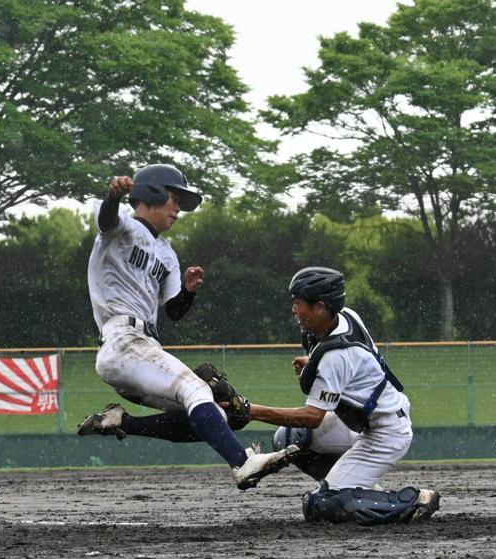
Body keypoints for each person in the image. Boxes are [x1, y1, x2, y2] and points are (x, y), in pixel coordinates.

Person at [77, 164, 299, 490]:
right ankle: (242, 463)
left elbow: (174, 312)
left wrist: (189, 292)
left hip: (142, 346)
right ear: (151, 193)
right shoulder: (121, 225)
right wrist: (114, 195)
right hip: (122, 339)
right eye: (173, 197)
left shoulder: (167, 254)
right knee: (195, 390)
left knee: (223, 413)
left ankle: (122, 422)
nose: (178, 208)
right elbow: (105, 219)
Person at [222, 266, 441, 525]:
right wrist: (313, 362)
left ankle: (414, 500)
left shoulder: (335, 356)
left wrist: (250, 410)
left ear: (321, 307)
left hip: (385, 434)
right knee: (289, 438)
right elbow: (357, 365)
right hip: (362, 423)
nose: (294, 309)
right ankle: (350, 488)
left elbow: (313, 416)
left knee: (321, 506)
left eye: (299, 302)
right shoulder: (346, 316)